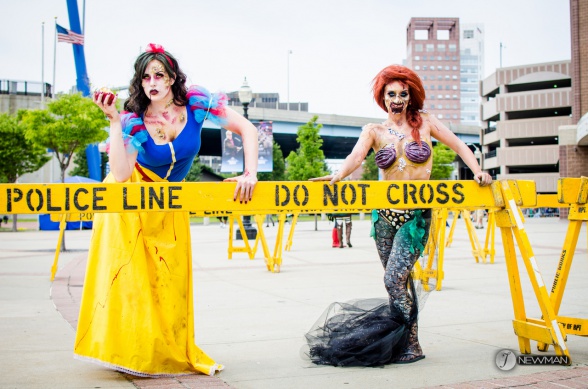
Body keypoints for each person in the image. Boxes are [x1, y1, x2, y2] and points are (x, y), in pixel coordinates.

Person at [74, 43, 258, 377]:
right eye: (145, 77)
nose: (152, 81)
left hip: (170, 201)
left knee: (170, 280)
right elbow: (121, 174)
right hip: (130, 200)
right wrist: (114, 121)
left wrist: (250, 172)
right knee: (131, 278)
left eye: (159, 74)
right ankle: (131, 352)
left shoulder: (197, 105)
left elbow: (248, 129)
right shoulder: (134, 120)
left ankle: (168, 348)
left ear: (172, 78)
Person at [305, 64, 492, 366]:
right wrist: (338, 174)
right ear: (383, 97)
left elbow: (459, 145)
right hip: (385, 218)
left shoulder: (427, 122)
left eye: (402, 94)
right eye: (391, 93)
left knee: (394, 279)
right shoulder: (374, 131)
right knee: (399, 282)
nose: (397, 99)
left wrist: (479, 171)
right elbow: (356, 156)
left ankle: (411, 342)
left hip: (415, 217)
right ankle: (408, 344)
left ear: (409, 96)